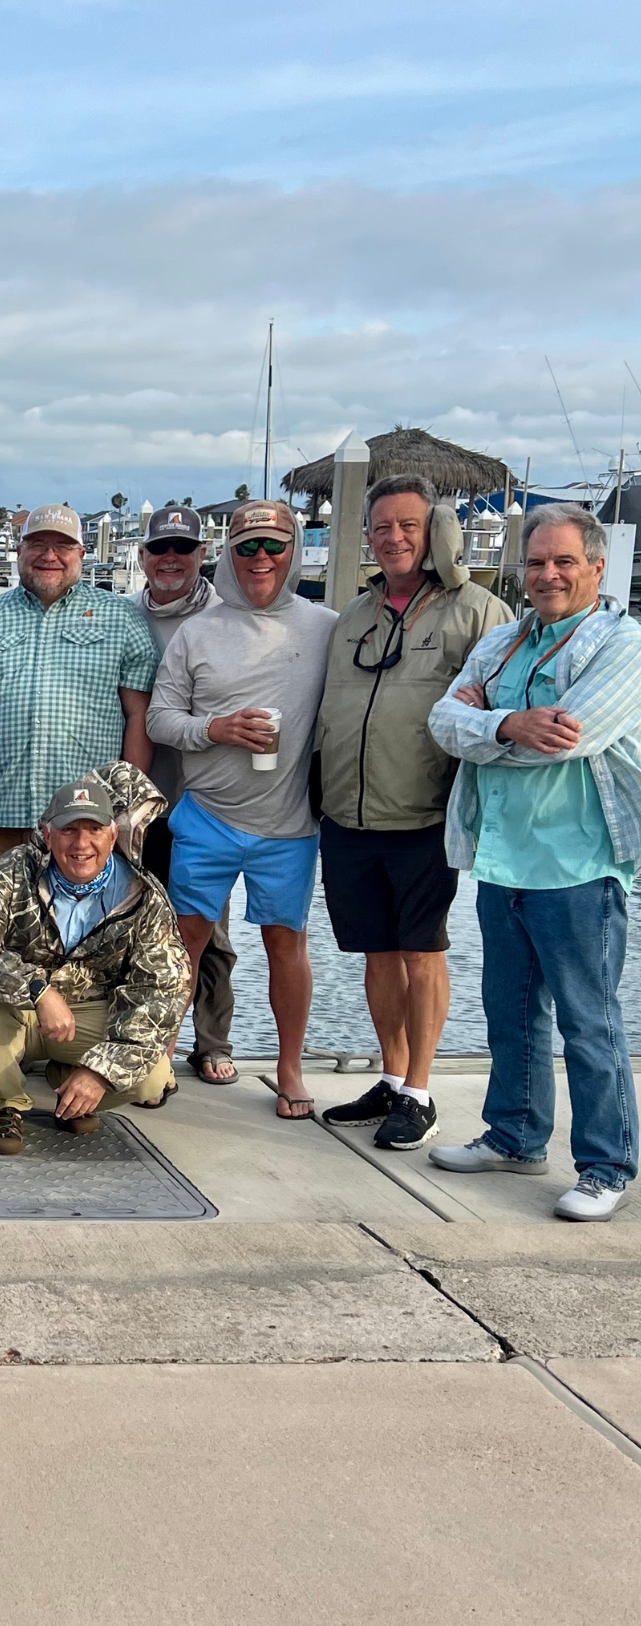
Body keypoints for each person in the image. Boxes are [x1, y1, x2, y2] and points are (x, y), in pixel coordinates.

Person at [427, 503, 641, 1221]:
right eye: (537, 561)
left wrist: (488, 725)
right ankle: (515, 1135)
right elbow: (442, 722)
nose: (548, 574)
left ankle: (606, 1165)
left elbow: (575, 735)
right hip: (503, 859)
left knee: (589, 1020)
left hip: (578, 865)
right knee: (511, 1011)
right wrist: (509, 722)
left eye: (564, 562)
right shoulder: (504, 642)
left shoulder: (623, 642)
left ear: (596, 568)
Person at [317, 475, 510, 1150]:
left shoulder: (477, 612)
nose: (394, 537)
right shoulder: (354, 615)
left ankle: (422, 1090)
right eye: (381, 526)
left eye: (408, 525)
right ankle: (394, 1079)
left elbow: (495, 712)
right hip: (348, 817)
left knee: (422, 952)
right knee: (377, 954)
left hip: (426, 818)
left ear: (435, 532)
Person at [147, 500, 336, 1123]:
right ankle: (161, 1054)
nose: (261, 559)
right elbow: (160, 720)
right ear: (228, 554)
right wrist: (217, 729)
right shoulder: (198, 631)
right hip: (206, 815)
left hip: (289, 825)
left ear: (295, 551)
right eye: (247, 548)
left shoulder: (327, 626)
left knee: (288, 944)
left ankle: (288, 1068)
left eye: (274, 546)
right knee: (186, 941)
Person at [0, 766, 189, 1157]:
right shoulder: (6, 873)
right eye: (69, 830)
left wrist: (100, 1071)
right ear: (47, 834)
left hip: (85, 1016)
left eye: (94, 830)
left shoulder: (144, 897)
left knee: (152, 1078)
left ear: (113, 835)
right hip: (17, 1010)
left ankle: (73, 1089)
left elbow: (161, 993)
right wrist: (38, 990)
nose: (82, 843)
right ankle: (3, 1106)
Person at [0, 502, 158, 875]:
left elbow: (139, 715)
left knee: (80, 932)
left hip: (86, 825)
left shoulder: (122, 618)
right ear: (18, 552)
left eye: (62, 546)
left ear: (82, 554)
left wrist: (124, 810)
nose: (49, 556)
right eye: (37, 545)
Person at [127, 502, 239, 1088]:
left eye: (184, 549)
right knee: (134, 921)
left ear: (202, 556)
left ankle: (211, 1040)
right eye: (160, 550)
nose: (171, 559)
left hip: (208, 800)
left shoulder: (227, 616)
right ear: (143, 556)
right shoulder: (121, 615)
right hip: (139, 802)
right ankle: (141, 1036)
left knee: (206, 927)